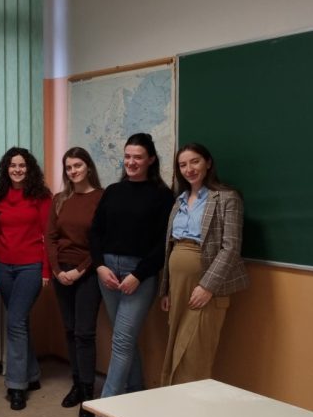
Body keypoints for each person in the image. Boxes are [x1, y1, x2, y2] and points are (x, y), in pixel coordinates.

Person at [89, 133, 174, 397]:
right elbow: (95, 232)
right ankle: (136, 391)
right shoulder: (113, 191)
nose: (131, 162)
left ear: (151, 160)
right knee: (123, 337)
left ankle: (106, 410)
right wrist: (100, 266)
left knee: (122, 340)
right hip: (108, 273)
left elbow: (163, 244)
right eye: (127, 156)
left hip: (140, 276)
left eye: (138, 157)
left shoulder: (163, 196)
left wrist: (138, 274)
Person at [159, 143, 248, 385]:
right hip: (178, 284)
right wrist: (166, 289)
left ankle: (190, 404)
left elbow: (231, 247)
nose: (189, 169)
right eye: (183, 165)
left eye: (195, 161)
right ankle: (171, 399)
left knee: (195, 350)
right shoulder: (179, 200)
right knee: (175, 344)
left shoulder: (227, 198)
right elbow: (170, 247)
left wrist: (207, 286)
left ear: (208, 163)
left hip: (206, 285)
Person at [0, 147, 51, 411]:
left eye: (22, 165)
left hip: (31, 267)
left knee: (14, 322)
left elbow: (48, 235)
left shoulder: (41, 197)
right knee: (20, 322)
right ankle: (32, 373)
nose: (17, 170)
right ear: (6, 169)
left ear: (29, 169)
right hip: (5, 268)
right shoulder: (1, 198)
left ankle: (16, 385)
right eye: (13, 165)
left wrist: (46, 270)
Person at [45, 147, 104, 417]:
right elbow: (50, 237)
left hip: (88, 273)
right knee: (70, 330)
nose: (73, 171)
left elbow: (101, 241)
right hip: (62, 273)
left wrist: (80, 271)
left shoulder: (101, 198)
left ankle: (88, 391)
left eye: (77, 165)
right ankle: (77, 384)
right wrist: (58, 270)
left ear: (88, 166)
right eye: (68, 167)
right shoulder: (59, 199)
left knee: (84, 333)